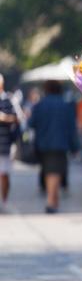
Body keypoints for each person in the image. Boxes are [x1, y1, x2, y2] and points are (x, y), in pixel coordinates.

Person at [28, 80, 79, 213]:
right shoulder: (66, 106)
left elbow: (31, 123)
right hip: (60, 143)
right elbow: (71, 127)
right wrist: (75, 146)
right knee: (54, 172)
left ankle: (54, 201)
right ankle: (51, 201)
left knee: (49, 171)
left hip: (42, 143)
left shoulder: (39, 105)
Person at [0, 74, 18, 212]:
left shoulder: (8, 100)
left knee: (4, 174)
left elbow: (16, 119)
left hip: (4, 143)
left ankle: (4, 200)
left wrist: (5, 118)